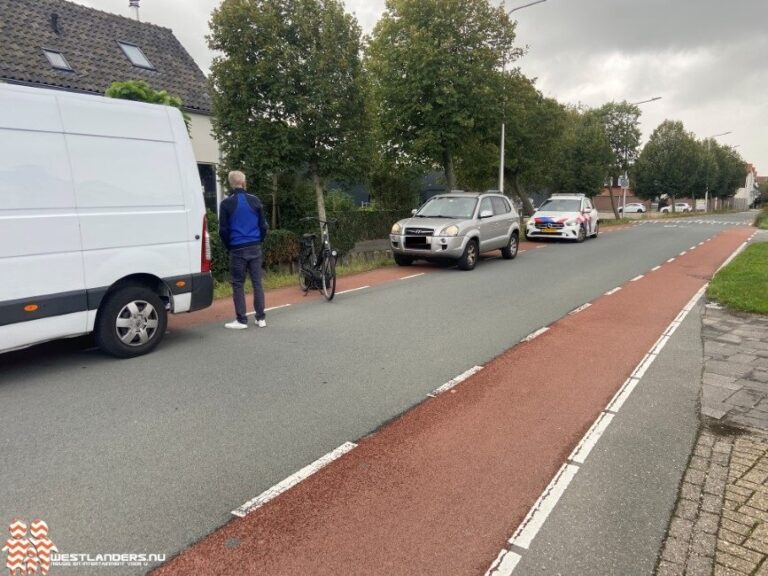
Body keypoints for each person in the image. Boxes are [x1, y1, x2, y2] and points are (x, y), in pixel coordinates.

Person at [218, 170, 269, 329]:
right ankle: (260, 318)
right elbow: (263, 226)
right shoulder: (255, 200)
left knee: (238, 284)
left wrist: (229, 246)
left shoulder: (226, 203)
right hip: (255, 246)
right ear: (244, 182)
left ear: (230, 184)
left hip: (237, 248)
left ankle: (241, 320)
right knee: (257, 283)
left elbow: (223, 230)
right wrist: (258, 240)